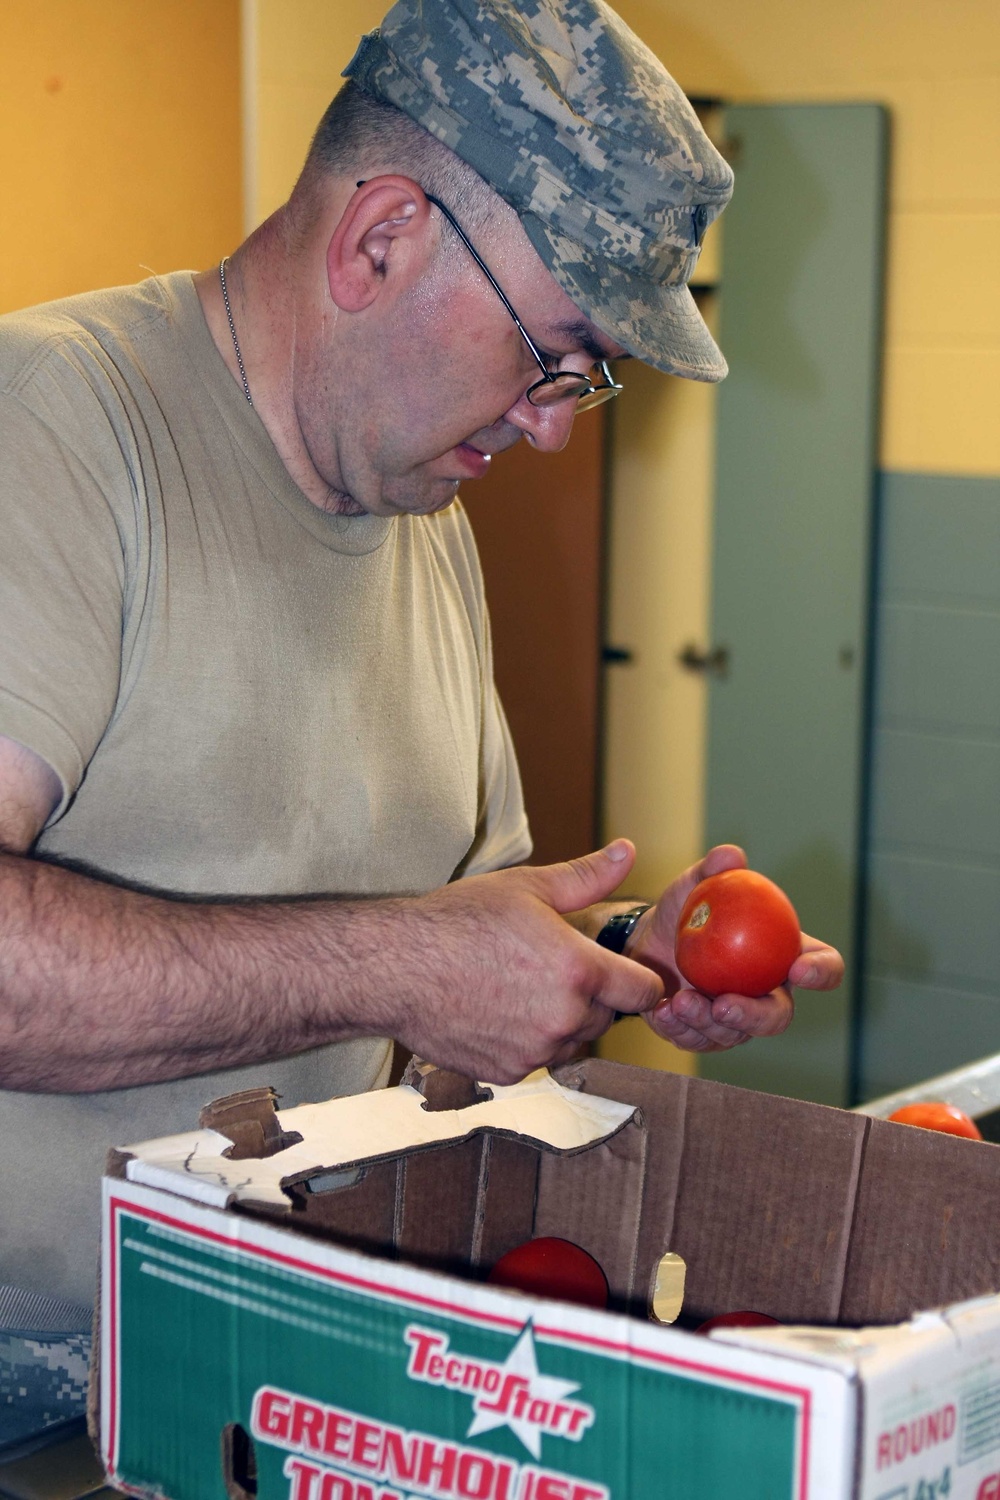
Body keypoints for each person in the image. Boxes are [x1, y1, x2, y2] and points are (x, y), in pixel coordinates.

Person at [0, 0, 842, 1304]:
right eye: (551, 354)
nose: (557, 429)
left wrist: (623, 954)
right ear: (381, 240)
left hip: (271, 1331)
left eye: (589, 378)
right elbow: (397, 953)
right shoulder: (54, 428)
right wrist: (400, 966)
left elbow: (444, 929)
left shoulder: (420, 519)